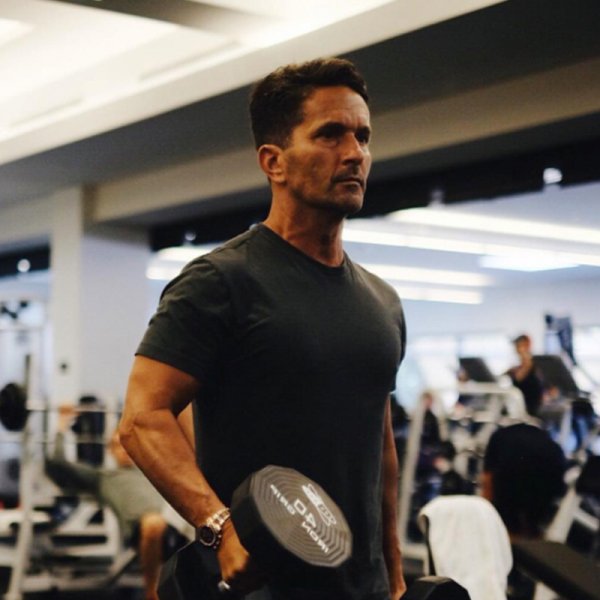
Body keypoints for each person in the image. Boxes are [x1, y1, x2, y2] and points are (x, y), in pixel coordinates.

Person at [120, 58, 407, 599]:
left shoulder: (382, 303)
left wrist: (393, 577)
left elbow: (381, 449)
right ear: (273, 162)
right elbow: (141, 419)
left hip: (362, 587)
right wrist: (219, 527)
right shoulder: (221, 281)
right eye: (330, 134)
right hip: (259, 588)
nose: (354, 153)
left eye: (363, 136)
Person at [45, 406, 189, 600]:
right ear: (110, 450)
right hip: (145, 530)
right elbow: (58, 463)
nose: (124, 450)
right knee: (153, 523)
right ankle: (151, 593)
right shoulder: (104, 477)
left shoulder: (153, 467)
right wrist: (62, 423)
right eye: (117, 445)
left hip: (177, 524)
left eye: (127, 444)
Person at [506, 334, 544, 416]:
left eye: (520, 346)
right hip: (517, 408)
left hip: (532, 409)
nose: (517, 349)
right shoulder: (514, 369)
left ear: (527, 345)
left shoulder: (537, 367)